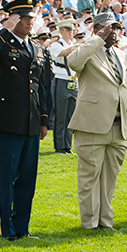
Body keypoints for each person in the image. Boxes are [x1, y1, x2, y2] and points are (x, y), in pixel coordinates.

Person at [0, 0, 49, 241]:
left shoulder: (38, 48)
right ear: (12, 19)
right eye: (23, 17)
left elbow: (42, 87)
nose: (30, 22)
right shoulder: (2, 42)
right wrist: (4, 29)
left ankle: (22, 227)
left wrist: (44, 119)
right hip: (7, 119)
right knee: (6, 177)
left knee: (27, 179)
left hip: (30, 121)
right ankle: (6, 228)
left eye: (31, 17)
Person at [66, 12, 127, 230]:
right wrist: (96, 40)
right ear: (97, 29)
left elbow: (124, 90)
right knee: (89, 177)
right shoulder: (86, 50)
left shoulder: (121, 55)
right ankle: (89, 222)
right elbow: (73, 63)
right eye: (108, 28)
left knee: (109, 179)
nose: (114, 32)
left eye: (116, 28)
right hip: (92, 124)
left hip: (117, 126)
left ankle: (105, 221)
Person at [50, 19, 78, 154]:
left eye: (72, 29)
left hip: (73, 82)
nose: (71, 32)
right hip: (61, 80)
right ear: (61, 31)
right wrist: (80, 46)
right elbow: (64, 52)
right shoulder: (56, 45)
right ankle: (59, 145)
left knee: (71, 116)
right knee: (60, 115)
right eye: (68, 29)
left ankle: (68, 145)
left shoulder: (73, 44)